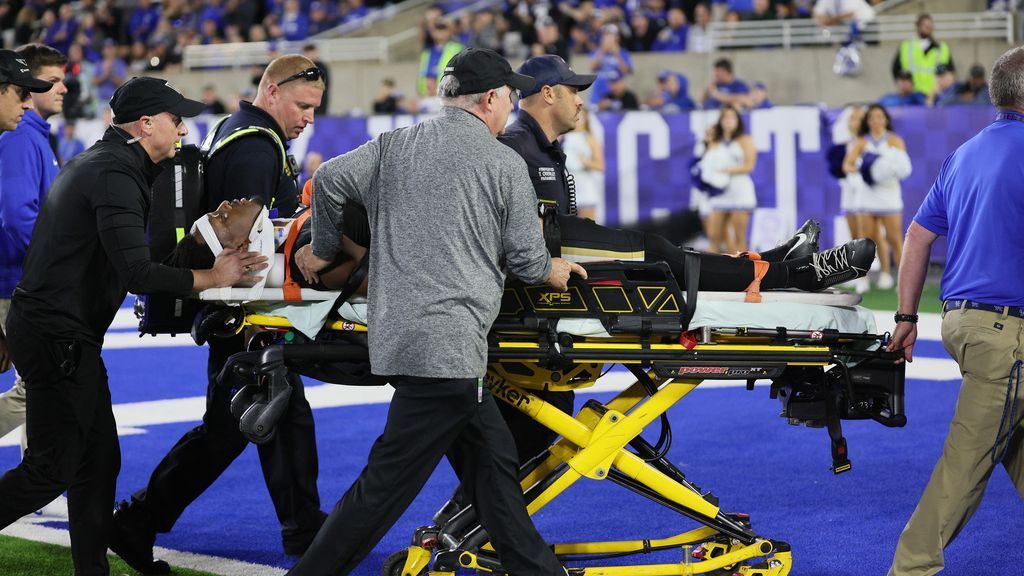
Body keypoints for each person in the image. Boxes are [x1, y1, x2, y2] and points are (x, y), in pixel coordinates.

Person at [286, 47, 584, 576]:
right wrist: (554, 269)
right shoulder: (502, 162)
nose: (510, 106)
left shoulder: (396, 144)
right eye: (509, 97)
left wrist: (325, 248)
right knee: (382, 490)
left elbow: (328, 178)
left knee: (494, 470)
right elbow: (526, 259)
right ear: (491, 99)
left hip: (403, 337)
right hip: (446, 349)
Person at [0, 75, 260, 576]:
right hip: (58, 336)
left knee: (98, 462)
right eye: (175, 119)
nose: (183, 129)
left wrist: (208, 244)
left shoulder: (111, 165)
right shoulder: (115, 173)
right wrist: (213, 276)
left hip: (59, 332)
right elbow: (138, 273)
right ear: (146, 125)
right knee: (49, 469)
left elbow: (128, 259)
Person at [111, 54, 328, 574]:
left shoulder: (243, 131)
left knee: (267, 420)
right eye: (302, 106)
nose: (308, 119)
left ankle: (304, 530)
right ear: (271, 91)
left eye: (316, 110)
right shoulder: (257, 143)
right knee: (242, 423)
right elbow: (248, 236)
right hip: (246, 314)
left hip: (241, 311)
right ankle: (139, 519)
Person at [885, 46, 1024, 576]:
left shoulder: (965, 153)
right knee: (965, 463)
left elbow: (917, 237)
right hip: (1006, 333)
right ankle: (911, 569)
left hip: (966, 325)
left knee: (1009, 437)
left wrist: (905, 318)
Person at [0, 42, 68, 519]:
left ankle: (38, 473)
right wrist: (50, 272)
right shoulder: (26, 137)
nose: (31, 101)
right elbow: (17, 216)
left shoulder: (29, 134)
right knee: (44, 384)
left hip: (15, 280)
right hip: (20, 282)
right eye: (25, 90)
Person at [843, 103, 911, 291]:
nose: (875, 121)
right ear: (868, 121)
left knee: (894, 238)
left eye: (879, 117)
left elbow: (903, 167)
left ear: (886, 119)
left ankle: (900, 278)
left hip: (889, 195)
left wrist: (885, 171)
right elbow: (847, 165)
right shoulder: (862, 142)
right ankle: (862, 278)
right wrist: (863, 169)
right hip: (867, 195)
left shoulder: (894, 140)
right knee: (865, 239)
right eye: (872, 117)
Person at [701, 104, 758, 254]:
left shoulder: (745, 139)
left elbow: (749, 166)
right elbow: (707, 162)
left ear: (738, 120)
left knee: (739, 237)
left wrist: (728, 170)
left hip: (739, 190)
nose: (728, 121)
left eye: (732, 117)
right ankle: (709, 272)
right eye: (725, 117)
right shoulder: (716, 140)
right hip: (720, 191)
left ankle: (744, 273)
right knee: (714, 236)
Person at [892, 13, 953, 98]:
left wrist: (943, 87)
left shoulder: (942, 48)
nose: (928, 28)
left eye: (930, 25)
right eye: (925, 25)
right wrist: (903, 87)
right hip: (912, 95)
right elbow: (896, 70)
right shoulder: (906, 46)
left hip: (936, 94)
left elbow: (950, 71)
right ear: (917, 26)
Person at [561, 107, 604, 222]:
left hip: (585, 187)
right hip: (567, 189)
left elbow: (600, 166)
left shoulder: (589, 139)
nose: (578, 120)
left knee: (588, 230)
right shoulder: (562, 137)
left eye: (581, 117)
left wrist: (584, 161)